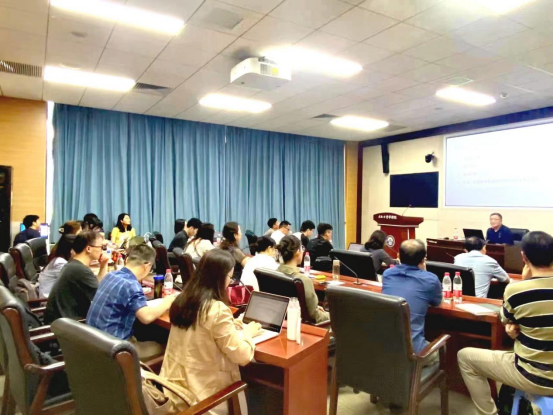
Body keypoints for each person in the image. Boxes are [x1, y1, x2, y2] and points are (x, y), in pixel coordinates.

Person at [458, 231, 553, 415]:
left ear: (524, 257)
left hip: (534, 377)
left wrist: (525, 281)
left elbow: (504, 319)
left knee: (465, 357)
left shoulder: (517, 290)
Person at [160, 250, 262, 414]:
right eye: (230, 277)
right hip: (203, 400)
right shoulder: (217, 309)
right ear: (219, 278)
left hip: (173, 392)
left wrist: (231, 324)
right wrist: (247, 333)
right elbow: (242, 356)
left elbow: (202, 331)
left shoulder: (183, 299)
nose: (230, 283)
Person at [87, 244, 176, 361]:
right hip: (115, 349)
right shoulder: (131, 285)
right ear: (147, 266)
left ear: (127, 260)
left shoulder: (110, 275)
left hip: (92, 342)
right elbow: (146, 317)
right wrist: (167, 302)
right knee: (170, 346)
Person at [382, 240, 442, 354]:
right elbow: (437, 302)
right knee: (441, 352)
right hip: (414, 353)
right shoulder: (430, 279)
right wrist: (425, 272)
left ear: (398, 256)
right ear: (423, 260)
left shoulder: (387, 274)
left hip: (386, 346)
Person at [45, 231, 109, 324]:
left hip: (63, 320)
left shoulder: (74, 264)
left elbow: (98, 286)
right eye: (101, 247)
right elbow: (102, 297)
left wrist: (103, 265)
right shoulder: (80, 270)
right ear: (88, 248)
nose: (102, 250)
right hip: (66, 325)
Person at [277, 236, 330, 324]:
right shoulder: (304, 280)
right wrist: (333, 315)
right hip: (307, 325)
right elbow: (314, 316)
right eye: (302, 248)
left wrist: (315, 308)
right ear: (297, 252)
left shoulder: (275, 273)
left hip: (282, 321)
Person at [38, 221, 82, 298]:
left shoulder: (59, 249)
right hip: (49, 301)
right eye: (80, 233)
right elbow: (76, 284)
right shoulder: (60, 263)